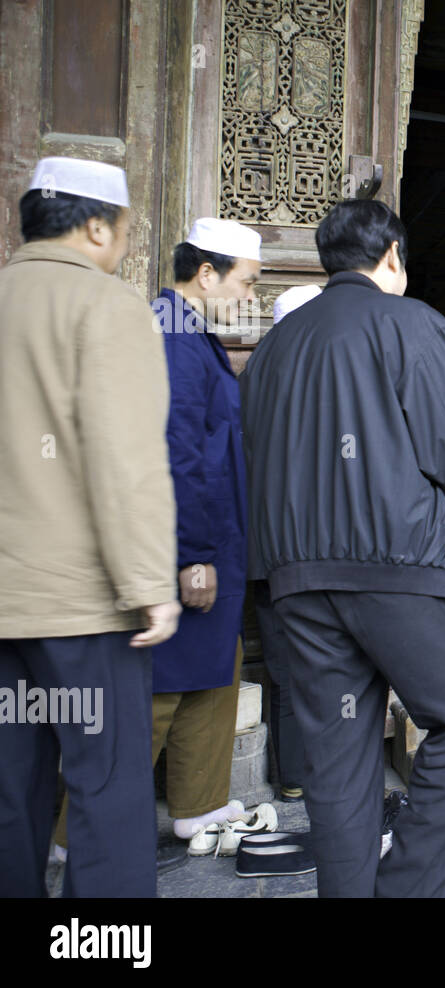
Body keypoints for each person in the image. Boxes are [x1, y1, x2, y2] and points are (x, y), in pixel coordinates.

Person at [240, 199, 445, 897]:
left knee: (337, 758)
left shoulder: (273, 346)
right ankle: (406, 887)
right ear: (390, 253)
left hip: (293, 575)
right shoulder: (410, 321)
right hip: (398, 561)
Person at [53, 217, 273, 863]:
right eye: (247, 282)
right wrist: (193, 554)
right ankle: (76, 834)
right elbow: (177, 454)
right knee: (162, 690)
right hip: (189, 542)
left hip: (217, 539)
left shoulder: (193, 334)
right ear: (206, 274)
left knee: (214, 677)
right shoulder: (172, 336)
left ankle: (198, 807)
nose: (251, 297)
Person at [0, 157, 180, 897]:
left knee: (11, 792)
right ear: (98, 225)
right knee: (106, 792)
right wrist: (150, 582)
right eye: (126, 229)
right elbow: (125, 459)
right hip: (82, 606)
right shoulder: (104, 306)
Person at [249, 282, 323, 801]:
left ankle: (295, 776)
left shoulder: (252, 375)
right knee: (324, 662)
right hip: (307, 548)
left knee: (287, 667)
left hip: (262, 551)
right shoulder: (309, 378)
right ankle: (320, 772)